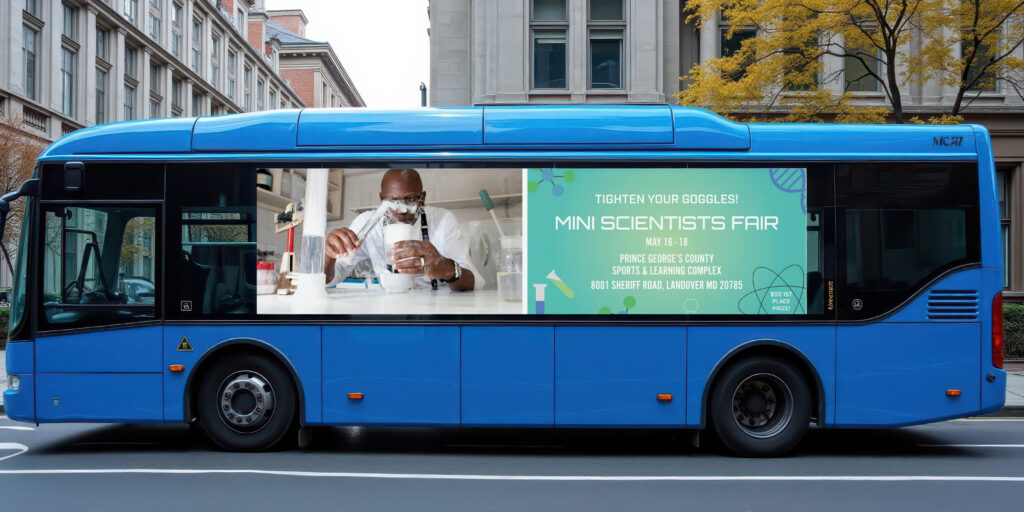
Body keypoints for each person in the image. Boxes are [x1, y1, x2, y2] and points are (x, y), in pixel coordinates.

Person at [324, 168, 481, 291]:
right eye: (392, 201)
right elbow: (328, 280)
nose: (402, 210)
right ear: (381, 199)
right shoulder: (367, 223)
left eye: (410, 199)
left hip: (437, 306)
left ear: (423, 198)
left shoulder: (442, 220)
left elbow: (472, 282)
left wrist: (445, 268)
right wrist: (329, 255)